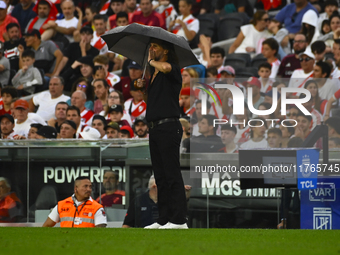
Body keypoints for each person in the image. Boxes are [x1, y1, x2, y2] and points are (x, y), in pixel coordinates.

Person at [140, 38, 187, 229]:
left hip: (169, 126)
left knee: (171, 174)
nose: (151, 49)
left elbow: (167, 68)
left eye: (155, 47)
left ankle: (179, 220)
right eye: (150, 46)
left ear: (165, 51)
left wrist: (150, 62)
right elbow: (151, 101)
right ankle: (164, 219)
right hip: (155, 127)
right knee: (160, 176)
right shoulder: (154, 75)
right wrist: (143, 88)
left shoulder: (173, 69)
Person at [42, 176, 107, 228]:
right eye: (85, 186)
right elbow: (46, 226)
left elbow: (100, 233)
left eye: (90, 187)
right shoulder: (61, 205)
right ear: (76, 189)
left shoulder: (97, 208)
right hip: (64, 243)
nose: (89, 189)